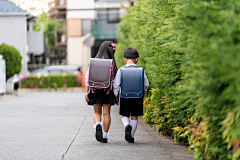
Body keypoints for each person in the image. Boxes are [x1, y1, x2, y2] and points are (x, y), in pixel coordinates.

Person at [85, 41, 118, 143]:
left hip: (95, 90)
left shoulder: (93, 61)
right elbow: (115, 81)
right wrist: (116, 94)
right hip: (107, 91)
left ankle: (98, 124)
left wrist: (86, 92)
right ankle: (105, 136)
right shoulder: (111, 63)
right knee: (106, 113)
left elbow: (87, 77)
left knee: (96, 112)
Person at [113, 48, 149, 143]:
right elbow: (146, 84)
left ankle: (126, 126)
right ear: (136, 59)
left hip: (124, 96)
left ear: (124, 59)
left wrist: (116, 96)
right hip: (137, 96)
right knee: (134, 116)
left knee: (124, 115)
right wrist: (142, 94)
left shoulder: (121, 70)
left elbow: (116, 84)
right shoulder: (141, 70)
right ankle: (131, 136)